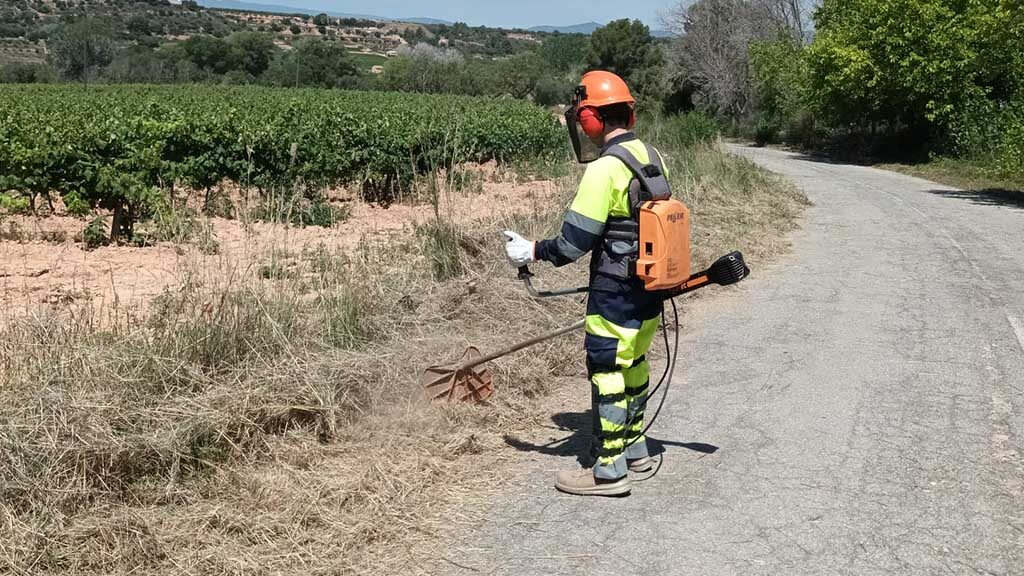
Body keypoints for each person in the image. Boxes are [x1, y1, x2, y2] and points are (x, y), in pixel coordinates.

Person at [503, 71, 668, 497]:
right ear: (628, 112)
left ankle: (609, 470)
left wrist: (532, 251)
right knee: (634, 364)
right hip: (649, 287)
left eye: (583, 119)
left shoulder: (604, 169)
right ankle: (636, 448)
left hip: (614, 293)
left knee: (608, 371)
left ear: (591, 118)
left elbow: (573, 244)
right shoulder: (651, 156)